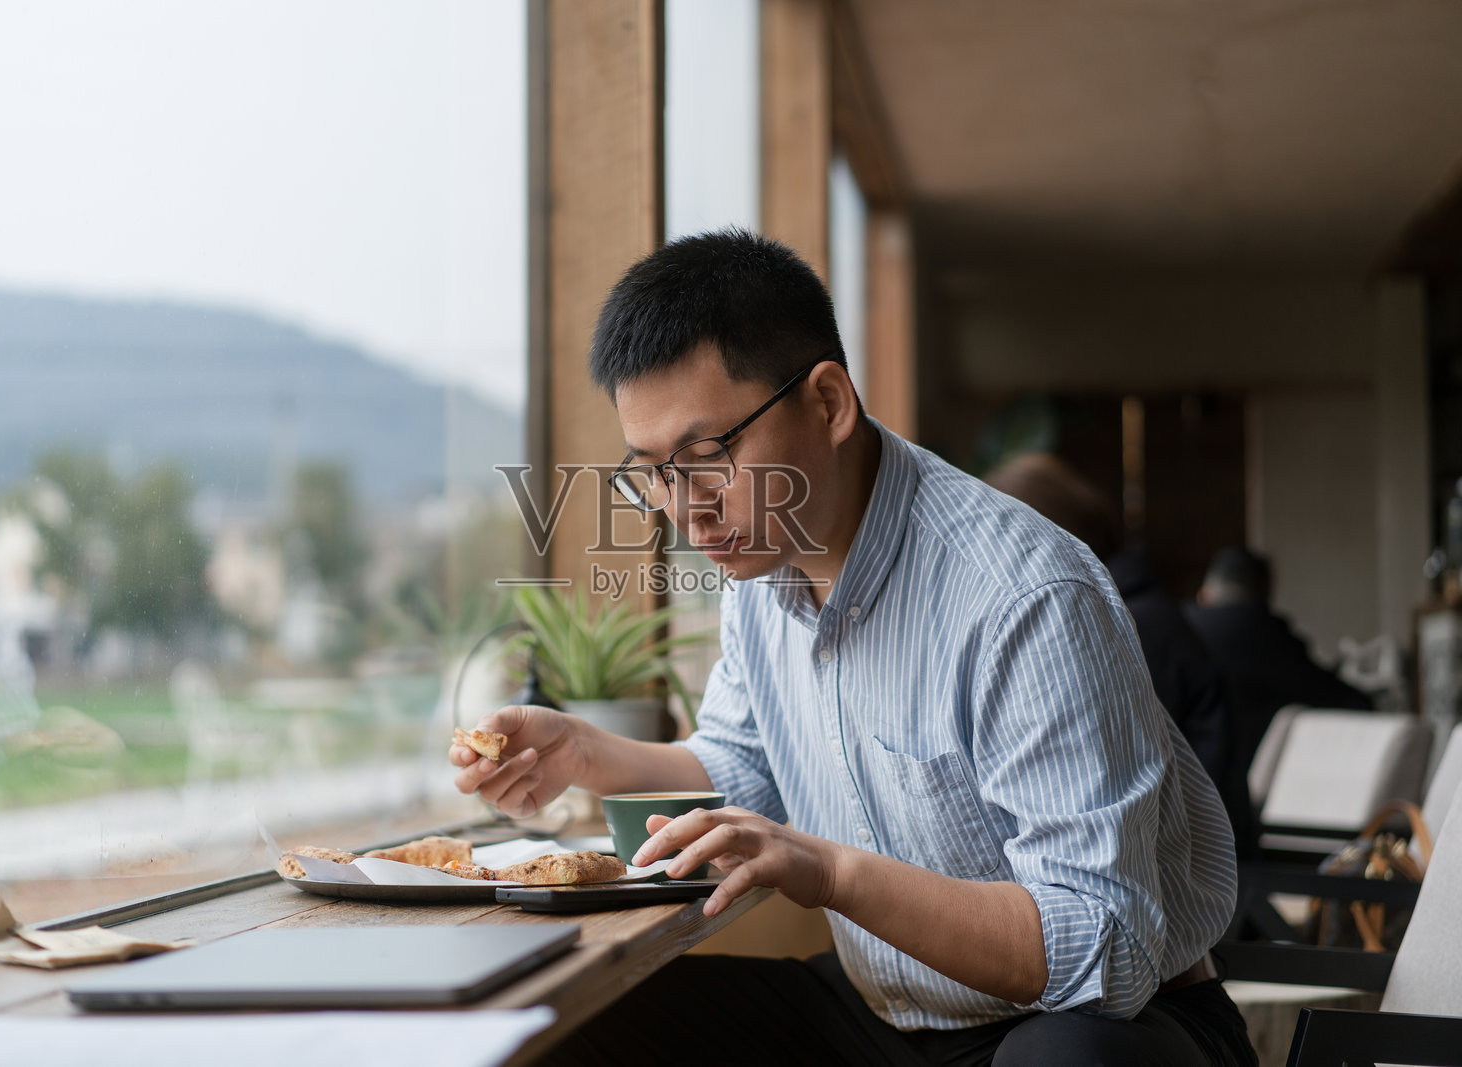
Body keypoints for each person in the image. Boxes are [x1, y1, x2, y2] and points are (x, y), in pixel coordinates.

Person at [452, 229, 1254, 1066]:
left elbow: (1105, 952)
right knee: (582, 1023)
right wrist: (580, 749)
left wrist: (830, 871)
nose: (683, 508)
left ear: (828, 403)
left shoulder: (1024, 594)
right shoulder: (761, 577)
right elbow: (739, 770)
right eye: (653, 470)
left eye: (707, 455)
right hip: (892, 1017)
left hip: (1110, 1026)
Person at [982, 454, 1256, 856]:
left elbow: (1097, 791)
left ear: (1040, 538)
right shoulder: (1134, 611)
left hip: (1191, 884)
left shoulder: (1116, 626)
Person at [1183, 547, 1374, 782]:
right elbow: (1345, 700)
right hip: (1242, 797)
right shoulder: (1271, 636)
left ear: (1204, 594)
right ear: (1266, 595)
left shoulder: (1176, 632)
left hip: (1180, 790)